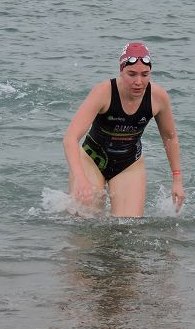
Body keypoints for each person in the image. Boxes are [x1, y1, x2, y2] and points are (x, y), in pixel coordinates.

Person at [64, 42, 184, 217]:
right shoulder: (103, 92)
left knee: (128, 229)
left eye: (145, 74)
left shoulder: (158, 97)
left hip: (129, 164)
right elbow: (70, 138)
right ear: (121, 71)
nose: (138, 82)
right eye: (132, 74)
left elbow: (170, 138)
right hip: (92, 160)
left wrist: (177, 180)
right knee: (85, 226)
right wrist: (79, 177)